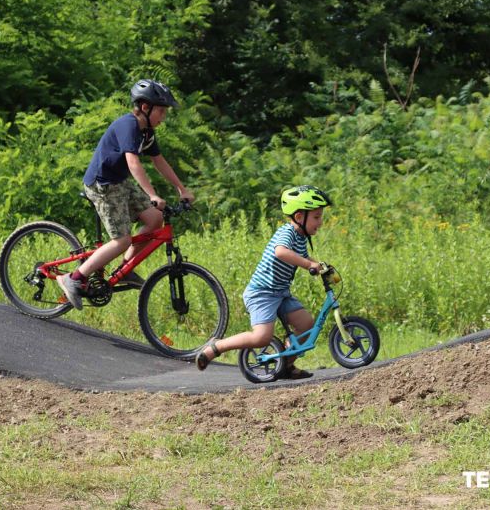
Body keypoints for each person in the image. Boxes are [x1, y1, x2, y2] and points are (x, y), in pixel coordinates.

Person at [57, 79, 194, 309]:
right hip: (103, 185)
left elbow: (159, 161)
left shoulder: (147, 132)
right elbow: (133, 163)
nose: (164, 116)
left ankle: (125, 268)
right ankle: (74, 278)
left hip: (120, 183)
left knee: (155, 219)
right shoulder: (128, 125)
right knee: (122, 240)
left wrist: (181, 189)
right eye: (161, 110)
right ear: (144, 107)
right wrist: (152, 194)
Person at [196, 185, 332, 379]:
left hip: (281, 292)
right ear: (300, 217)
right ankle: (215, 347)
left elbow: (303, 256)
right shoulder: (287, 232)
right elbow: (281, 252)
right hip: (262, 293)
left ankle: (285, 365)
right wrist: (307, 264)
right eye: (317, 217)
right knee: (261, 337)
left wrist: (318, 265)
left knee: (307, 325)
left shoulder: (302, 237)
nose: (321, 221)